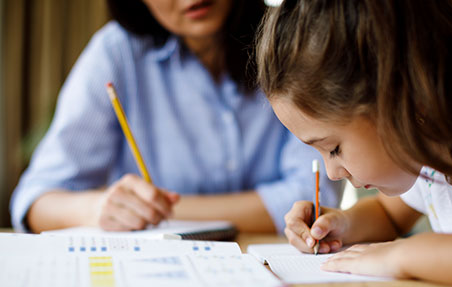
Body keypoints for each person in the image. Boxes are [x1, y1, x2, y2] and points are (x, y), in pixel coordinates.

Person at [10, 0, 342, 234]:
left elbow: (314, 198)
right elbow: (35, 201)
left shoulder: (294, 40)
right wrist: (98, 209)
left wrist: (161, 213)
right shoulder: (116, 55)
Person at [256, 0, 452, 287]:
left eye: (334, 148)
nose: (332, 173)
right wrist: (342, 224)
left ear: (403, 94)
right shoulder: (429, 158)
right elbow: (389, 216)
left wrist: (402, 255)